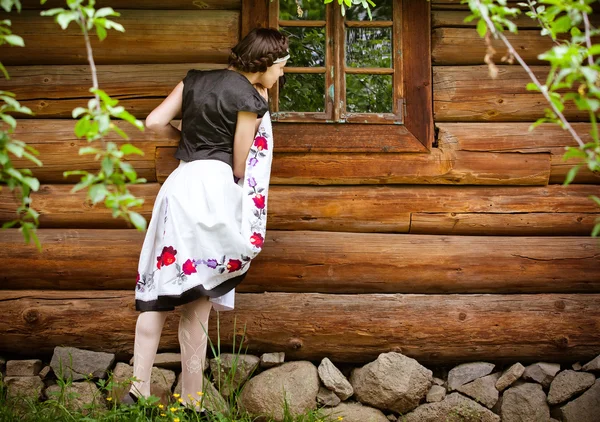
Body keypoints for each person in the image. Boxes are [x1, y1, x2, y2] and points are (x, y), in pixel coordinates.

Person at [122, 28, 289, 412]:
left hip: (178, 185)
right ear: (263, 65)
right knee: (199, 297)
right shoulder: (249, 97)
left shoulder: (193, 79)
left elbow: (152, 123)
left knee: (159, 288)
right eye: (280, 67)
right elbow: (240, 161)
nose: (281, 75)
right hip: (212, 189)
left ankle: (138, 386)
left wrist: (185, 137)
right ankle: (193, 401)